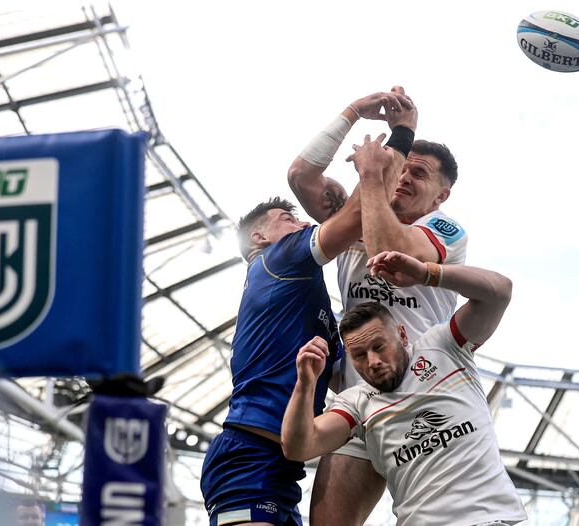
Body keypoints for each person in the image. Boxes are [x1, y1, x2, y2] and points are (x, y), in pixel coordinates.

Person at [288, 88, 469, 525]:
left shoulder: (445, 229)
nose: (404, 178)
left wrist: (375, 174)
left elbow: (391, 253)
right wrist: (352, 114)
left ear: (441, 196)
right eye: (401, 169)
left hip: (424, 397)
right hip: (361, 397)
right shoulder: (355, 216)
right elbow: (301, 177)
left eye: (419, 174)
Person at [281, 251, 527, 526]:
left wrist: (427, 274)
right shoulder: (356, 402)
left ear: (401, 334)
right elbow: (299, 447)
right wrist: (305, 383)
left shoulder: (444, 347)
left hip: (490, 521)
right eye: (359, 355)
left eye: (379, 346)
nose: (372, 362)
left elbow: (500, 292)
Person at [199, 192, 365, 526]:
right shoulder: (278, 257)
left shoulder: (304, 300)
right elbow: (356, 214)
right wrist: (396, 145)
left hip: (283, 469)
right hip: (248, 456)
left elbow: (346, 376)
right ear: (258, 238)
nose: (304, 223)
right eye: (287, 219)